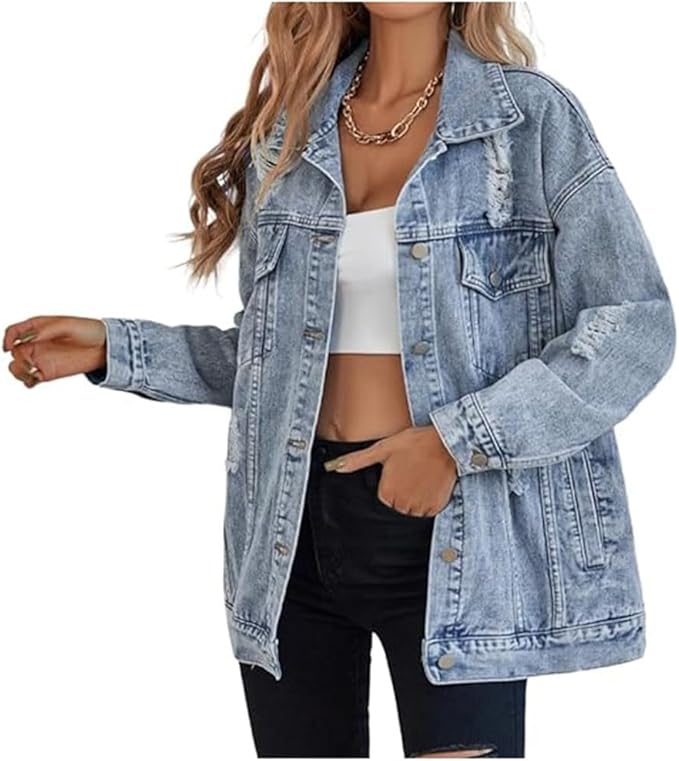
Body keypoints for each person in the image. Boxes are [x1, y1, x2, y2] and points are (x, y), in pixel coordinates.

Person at [4, 2, 675, 758]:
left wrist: (457, 442)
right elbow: (272, 363)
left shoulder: (527, 120)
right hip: (290, 530)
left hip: (457, 531)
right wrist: (115, 349)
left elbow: (637, 323)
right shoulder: (288, 134)